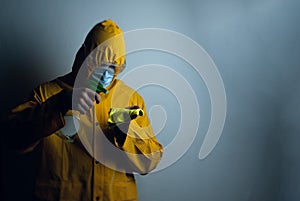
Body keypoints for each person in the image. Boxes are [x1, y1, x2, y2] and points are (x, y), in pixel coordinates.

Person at [4, 19, 163, 201]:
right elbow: (11, 137)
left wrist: (126, 135)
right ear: (84, 57)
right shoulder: (47, 94)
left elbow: (149, 162)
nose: (105, 74)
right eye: (99, 63)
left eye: (112, 67)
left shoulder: (130, 99)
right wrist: (58, 104)